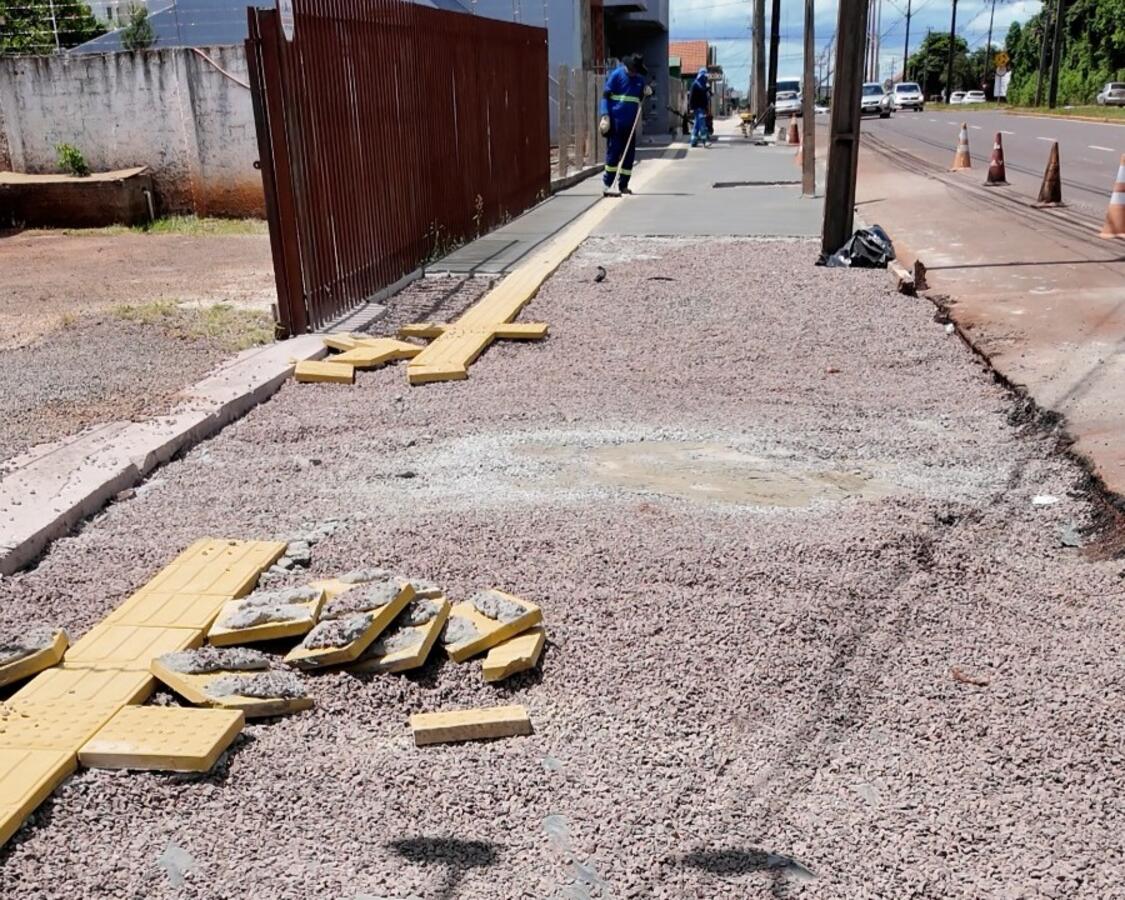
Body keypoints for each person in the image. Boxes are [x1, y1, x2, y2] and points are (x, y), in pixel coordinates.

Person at [599, 54, 648, 196]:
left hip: (631, 125)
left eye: (636, 71)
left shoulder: (639, 80)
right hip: (615, 123)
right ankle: (608, 184)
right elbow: (605, 97)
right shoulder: (616, 75)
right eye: (633, 70)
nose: (634, 73)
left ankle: (623, 185)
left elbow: (641, 95)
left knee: (629, 156)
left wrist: (646, 92)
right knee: (613, 154)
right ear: (628, 67)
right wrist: (604, 115)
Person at [689, 68, 711, 147]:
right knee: (702, 125)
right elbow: (691, 97)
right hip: (697, 108)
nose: (706, 78)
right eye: (705, 77)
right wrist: (691, 108)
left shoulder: (703, 85)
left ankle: (693, 141)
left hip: (702, 108)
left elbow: (705, 96)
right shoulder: (696, 84)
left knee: (697, 125)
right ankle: (705, 141)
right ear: (701, 76)